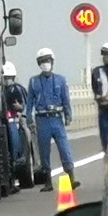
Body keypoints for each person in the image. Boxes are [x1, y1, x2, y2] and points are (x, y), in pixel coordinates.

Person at [27, 46, 75, 186]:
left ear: (52, 61)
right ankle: (48, 182)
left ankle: (71, 177)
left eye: (47, 60)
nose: (45, 63)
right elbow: (29, 101)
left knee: (64, 147)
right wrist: (29, 118)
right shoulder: (34, 81)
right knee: (43, 151)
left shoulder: (60, 80)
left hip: (56, 118)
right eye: (42, 61)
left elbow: (66, 99)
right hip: (42, 119)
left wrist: (68, 115)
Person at [91, 41, 108, 152]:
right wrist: (101, 98)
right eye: (104, 55)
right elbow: (95, 89)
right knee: (106, 138)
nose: (105, 58)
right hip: (104, 109)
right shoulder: (97, 72)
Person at [1, 61, 27, 173]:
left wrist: (20, 110)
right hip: (6, 119)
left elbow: (25, 104)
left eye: (9, 77)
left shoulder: (17, 89)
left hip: (16, 119)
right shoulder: (1, 90)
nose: (7, 80)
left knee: (21, 135)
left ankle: (21, 157)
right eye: (6, 77)